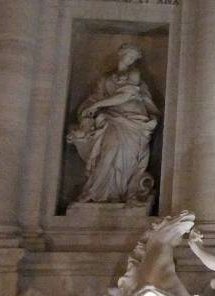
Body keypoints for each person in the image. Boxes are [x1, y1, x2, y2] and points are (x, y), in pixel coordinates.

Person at [67, 43, 159, 205]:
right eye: (128, 55)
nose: (130, 60)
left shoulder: (134, 73)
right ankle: (97, 191)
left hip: (134, 120)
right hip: (111, 119)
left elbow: (125, 95)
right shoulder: (105, 79)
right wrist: (88, 111)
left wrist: (98, 105)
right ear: (121, 54)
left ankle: (119, 193)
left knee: (127, 158)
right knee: (109, 151)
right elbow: (93, 99)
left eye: (133, 58)